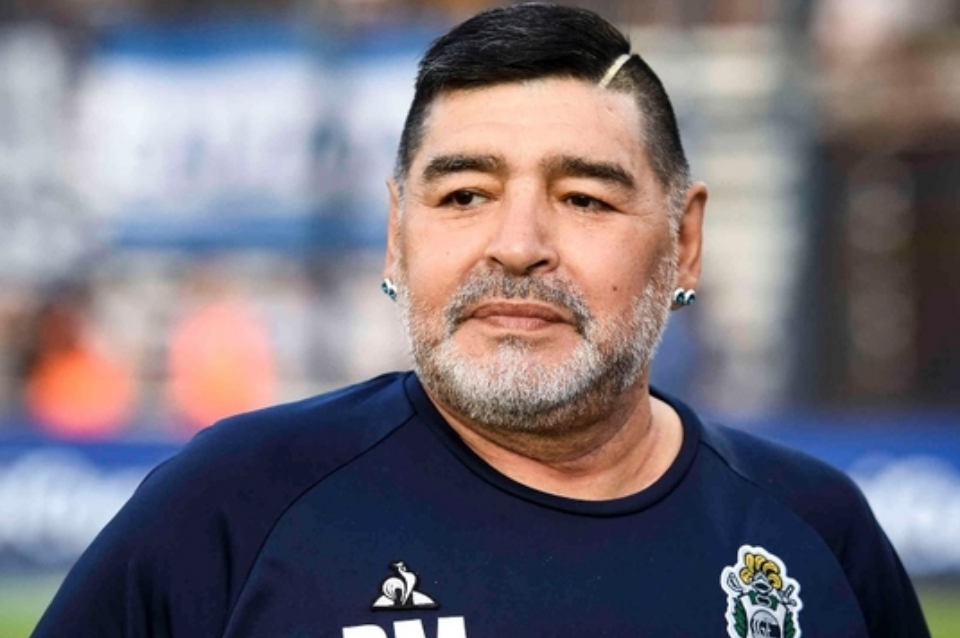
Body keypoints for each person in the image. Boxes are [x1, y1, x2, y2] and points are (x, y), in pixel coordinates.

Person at [32, 3, 929, 637]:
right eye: (464, 194)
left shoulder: (817, 534)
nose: (518, 246)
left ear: (684, 243)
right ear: (397, 236)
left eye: (584, 199)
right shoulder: (231, 505)